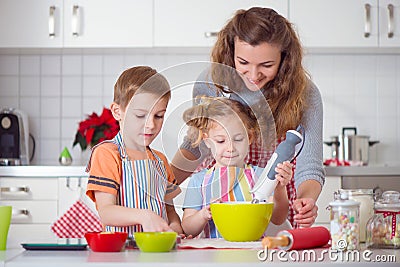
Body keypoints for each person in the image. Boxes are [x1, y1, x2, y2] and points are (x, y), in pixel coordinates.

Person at [171, 7, 325, 228]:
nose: (254, 75)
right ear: (230, 52)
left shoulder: (304, 93)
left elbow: (309, 164)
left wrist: (306, 199)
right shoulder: (210, 82)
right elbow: (196, 145)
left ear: (285, 59)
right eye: (243, 63)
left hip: (274, 205)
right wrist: (162, 185)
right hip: (221, 202)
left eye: (267, 65)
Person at [86, 66, 183, 237]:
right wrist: (144, 217)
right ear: (117, 112)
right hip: (122, 254)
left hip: (158, 252)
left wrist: (175, 231)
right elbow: (106, 212)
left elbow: (171, 214)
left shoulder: (160, 161)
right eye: (140, 115)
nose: (151, 125)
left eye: (158, 116)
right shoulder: (108, 154)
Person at [181, 96, 293, 238]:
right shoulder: (199, 181)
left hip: (255, 253)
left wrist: (279, 189)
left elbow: (278, 218)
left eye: (238, 139)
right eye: (221, 141)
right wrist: (203, 215)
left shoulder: (261, 175)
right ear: (207, 141)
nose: (231, 148)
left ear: (250, 137)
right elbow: (187, 229)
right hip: (213, 255)